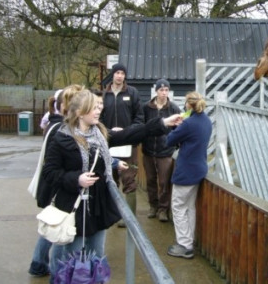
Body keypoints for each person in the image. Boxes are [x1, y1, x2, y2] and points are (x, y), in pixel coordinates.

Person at [40, 89, 181, 279]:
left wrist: (164, 123)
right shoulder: (61, 138)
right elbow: (49, 172)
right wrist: (77, 179)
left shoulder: (100, 134)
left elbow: (131, 134)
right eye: (94, 108)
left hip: (97, 208)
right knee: (71, 260)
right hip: (74, 209)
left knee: (96, 256)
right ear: (80, 112)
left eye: (99, 107)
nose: (99, 111)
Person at [28, 84, 84, 278]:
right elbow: (53, 166)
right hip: (58, 188)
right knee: (58, 230)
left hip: (56, 186)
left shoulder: (54, 125)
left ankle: (38, 262)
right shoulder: (61, 129)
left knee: (53, 225)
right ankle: (53, 272)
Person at [166, 91, 212, 259]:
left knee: (178, 207)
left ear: (188, 105)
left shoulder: (188, 123)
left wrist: (176, 125)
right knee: (189, 207)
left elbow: (169, 140)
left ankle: (184, 245)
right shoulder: (207, 121)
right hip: (199, 169)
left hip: (186, 171)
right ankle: (189, 241)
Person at [100, 63, 144, 227]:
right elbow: (99, 119)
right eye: (117, 72)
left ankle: (129, 218)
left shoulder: (132, 93)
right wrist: (110, 131)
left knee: (129, 179)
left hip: (128, 144)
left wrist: (127, 131)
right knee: (111, 180)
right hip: (109, 144)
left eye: (122, 73)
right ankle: (113, 214)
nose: (119, 76)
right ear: (112, 75)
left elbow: (139, 118)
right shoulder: (105, 95)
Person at [142, 79, 180, 222]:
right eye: (161, 90)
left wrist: (174, 145)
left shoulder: (174, 109)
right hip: (148, 150)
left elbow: (179, 129)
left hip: (165, 152)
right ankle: (153, 206)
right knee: (151, 180)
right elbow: (142, 126)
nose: (164, 93)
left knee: (164, 182)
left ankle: (163, 209)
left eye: (166, 90)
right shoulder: (146, 108)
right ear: (156, 91)